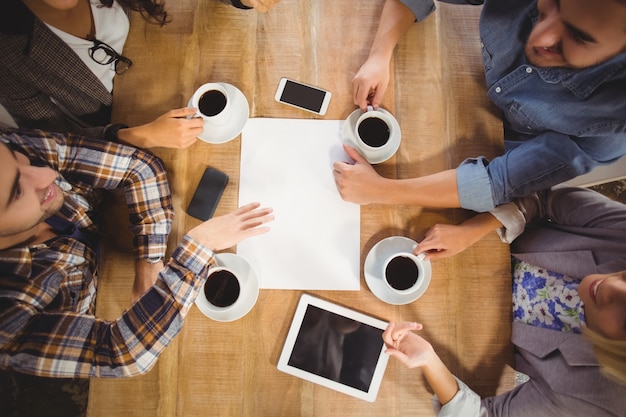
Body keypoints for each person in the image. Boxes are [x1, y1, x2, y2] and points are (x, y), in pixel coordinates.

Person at [0, 126, 274, 377]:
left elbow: (141, 168)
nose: (47, 174)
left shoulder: (7, 147)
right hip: (102, 307)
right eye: (18, 193)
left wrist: (148, 263)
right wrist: (200, 244)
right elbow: (119, 354)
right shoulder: (7, 319)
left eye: (20, 159)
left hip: (115, 232)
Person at [335, 0, 626, 213]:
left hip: (495, 150)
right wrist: (379, 55)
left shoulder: (614, 122)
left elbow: (499, 180)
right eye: (555, 3)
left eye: (579, 37)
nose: (541, 36)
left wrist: (383, 191)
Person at [383, 185, 626, 416]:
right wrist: (473, 229)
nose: (611, 284)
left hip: (457, 321)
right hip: (472, 229)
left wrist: (429, 360)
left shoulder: (602, 396)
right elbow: (542, 195)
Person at [0, 0, 280, 148]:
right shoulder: (7, 54)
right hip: (126, 125)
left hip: (166, 51)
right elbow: (52, 140)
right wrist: (143, 136)